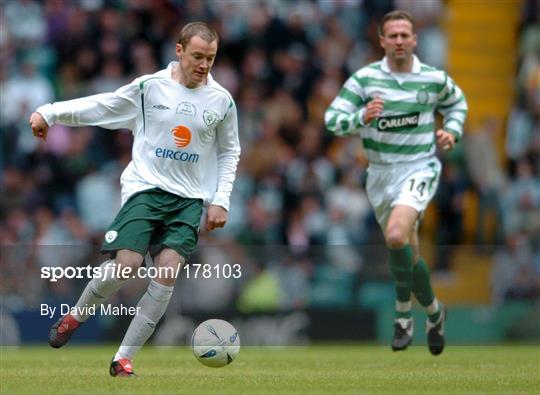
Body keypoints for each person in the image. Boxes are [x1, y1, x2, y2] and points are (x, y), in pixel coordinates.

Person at [29, 22, 241, 376]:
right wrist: (51, 112)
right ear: (179, 50)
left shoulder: (221, 100)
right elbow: (102, 106)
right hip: (146, 189)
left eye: (211, 58)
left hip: (188, 200)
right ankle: (76, 316)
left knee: (167, 272)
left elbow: (230, 151)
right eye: (198, 56)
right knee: (126, 265)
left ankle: (123, 357)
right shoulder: (150, 88)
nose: (204, 65)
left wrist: (221, 200)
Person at [325, 10, 467, 355]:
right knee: (404, 251)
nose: (400, 41)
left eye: (406, 35)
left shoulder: (432, 78)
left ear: (415, 40)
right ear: (383, 41)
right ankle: (434, 312)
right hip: (380, 173)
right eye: (394, 36)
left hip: (418, 167)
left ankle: (403, 316)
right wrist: (361, 117)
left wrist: (452, 131)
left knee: (395, 235)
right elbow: (332, 119)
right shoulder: (365, 79)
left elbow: (457, 104)